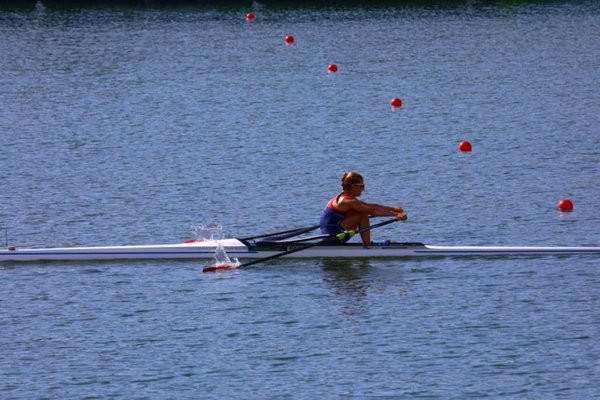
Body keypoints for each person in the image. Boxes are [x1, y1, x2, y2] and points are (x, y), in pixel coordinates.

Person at [320, 172, 407, 246]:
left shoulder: (346, 197)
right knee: (362, 213)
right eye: (361, 186)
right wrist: (396, 215)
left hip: (331, 235)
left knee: (363, 210)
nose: (363, 189)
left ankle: (367, 244)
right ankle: (367, 245)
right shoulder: (347, 201)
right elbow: (372, 211)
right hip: (333, 237)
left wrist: (394, 209)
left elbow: (371, 206)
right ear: (353, 186)